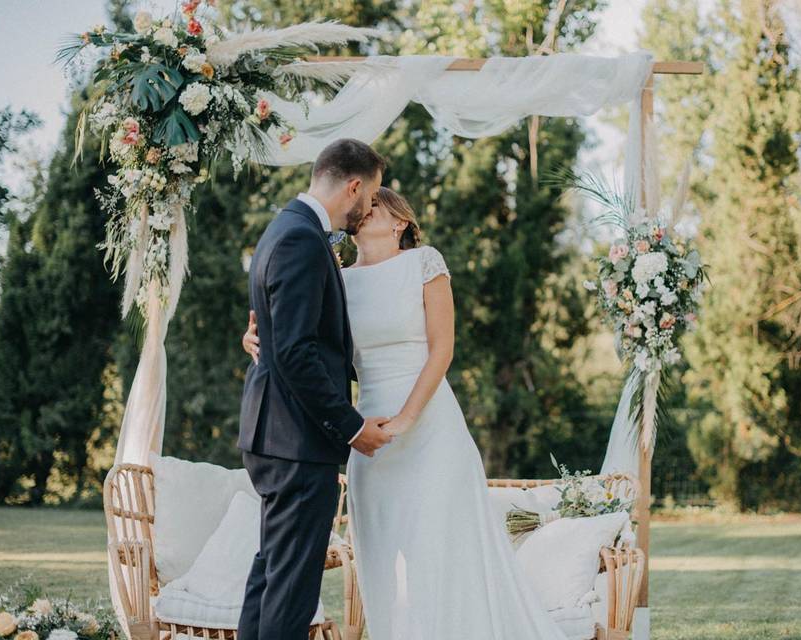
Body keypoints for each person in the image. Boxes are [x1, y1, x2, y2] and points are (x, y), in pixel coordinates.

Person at [242, 184, 568, 639]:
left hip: (431, 428)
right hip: (367, 431)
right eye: (363, 201)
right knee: (382, 554)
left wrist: (409, 419)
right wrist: (256, 339)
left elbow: (442, 349)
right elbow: (306, 341)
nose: (362, 208)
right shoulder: (338, 277)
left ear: (400, 222)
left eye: (374, 203)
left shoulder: (424, 263)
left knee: (439, 549)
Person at [237, 138, 394, 640]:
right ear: (353, 186)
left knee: (272, 576)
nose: (368, 209)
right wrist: (351, 429)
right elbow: (297, 353)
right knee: (291, 592)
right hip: (296, 442)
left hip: (277, 436)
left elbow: (280, 334)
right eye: (369, 198)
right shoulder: (303, 239)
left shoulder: (284, 228)